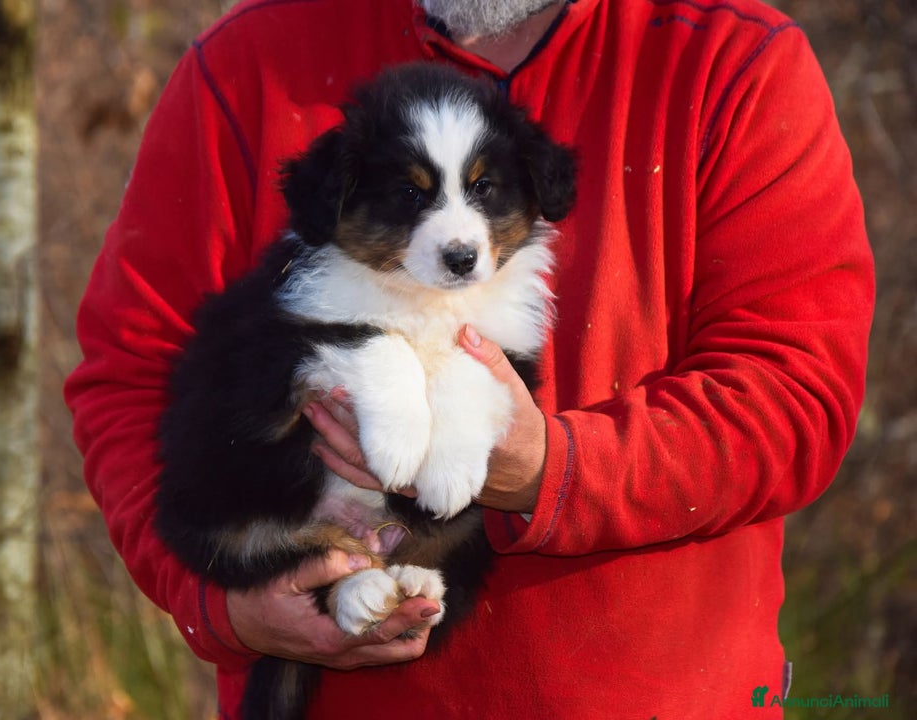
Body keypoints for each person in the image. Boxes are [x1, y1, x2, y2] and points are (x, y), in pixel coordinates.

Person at [64, 0, 875, 717]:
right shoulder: (246, 61)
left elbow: (794, 395)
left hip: (662, 696)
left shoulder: (736, 63)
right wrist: (220, 599)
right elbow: (130, 375)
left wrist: (550, 471)